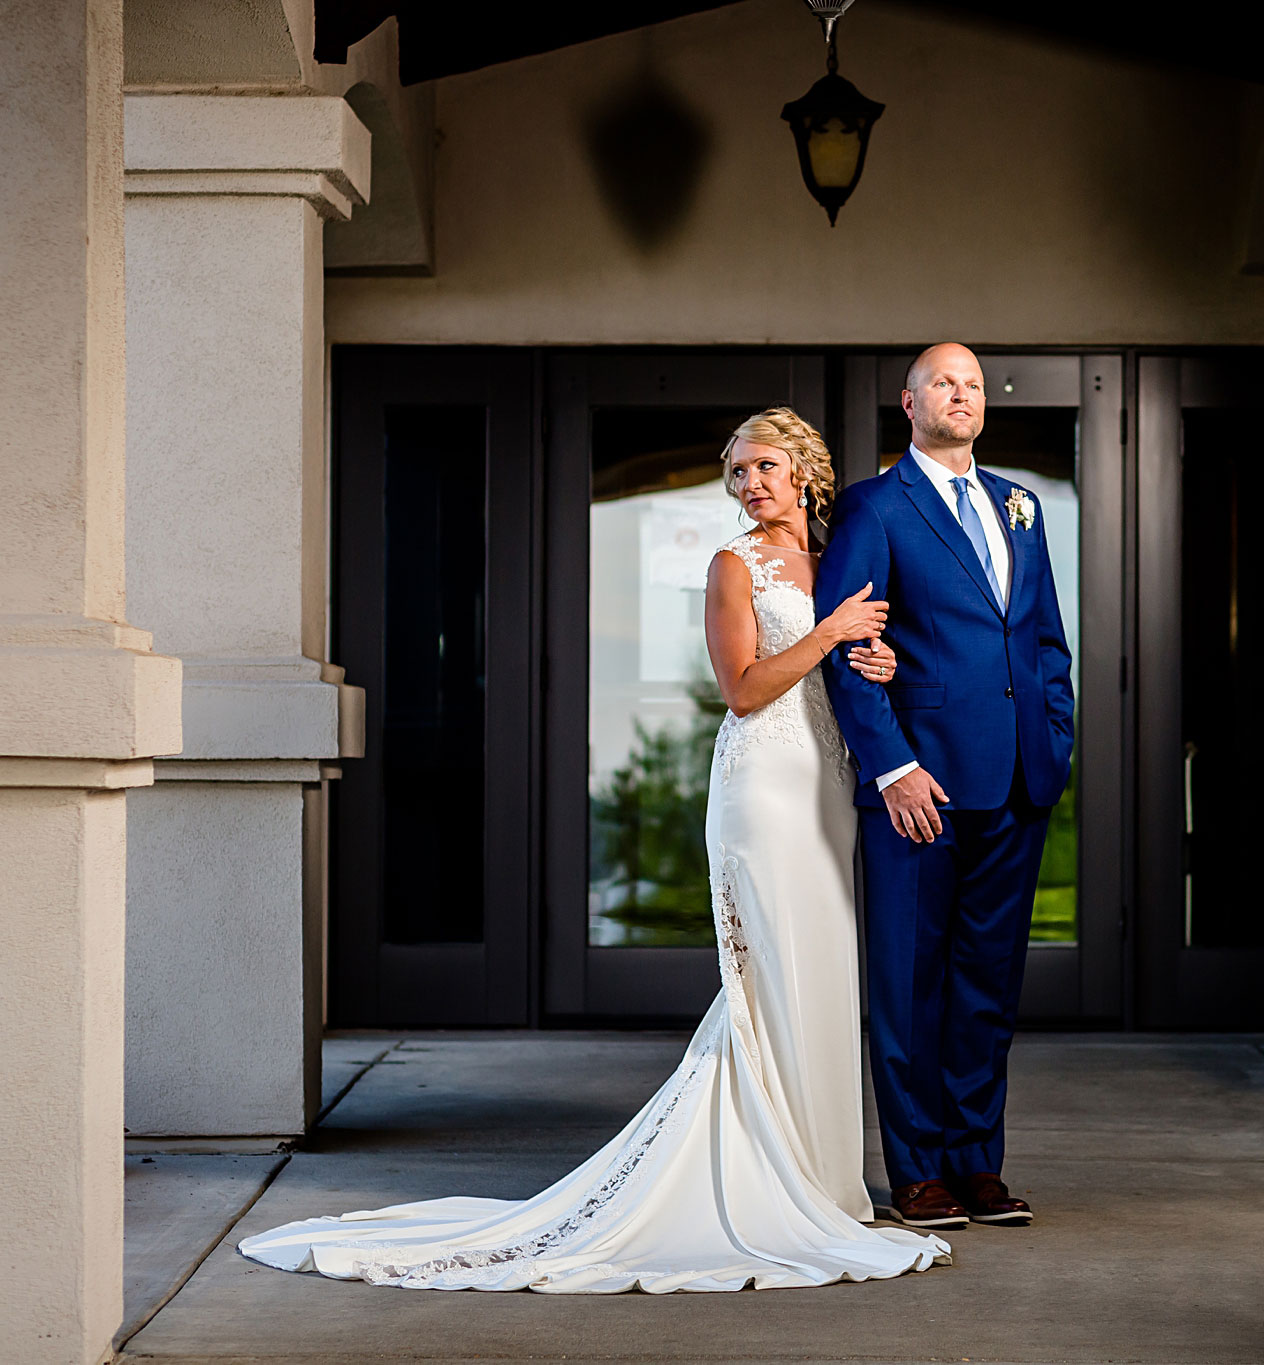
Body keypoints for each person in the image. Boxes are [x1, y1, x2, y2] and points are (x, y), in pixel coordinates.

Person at [236, 408, 948, 1292]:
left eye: (763, 467)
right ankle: (770, 1182)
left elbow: (845, 667)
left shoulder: (835, 558)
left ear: (803, 470)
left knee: (822, 973)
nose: (750, 485)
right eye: (737, 474)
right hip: (762, 790)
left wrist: (865, 663)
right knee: (768, 977)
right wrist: (828, 636)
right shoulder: (734, 565)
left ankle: (826, 1183)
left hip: (826, 786)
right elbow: (743, 688)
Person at [816, 343, 1075, 1231]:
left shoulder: (1024, 506)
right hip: (916, 789)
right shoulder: (875, 508)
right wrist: (891, 767)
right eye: (942, 383)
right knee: (910, 982)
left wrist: (1054, 741)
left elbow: (1043, 643)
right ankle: (918, 1170)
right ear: (909, 401)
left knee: (987, 986)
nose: (959, 395)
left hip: (1015, 783)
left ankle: (977, 1163)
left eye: (971, 384)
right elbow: (850, 650)